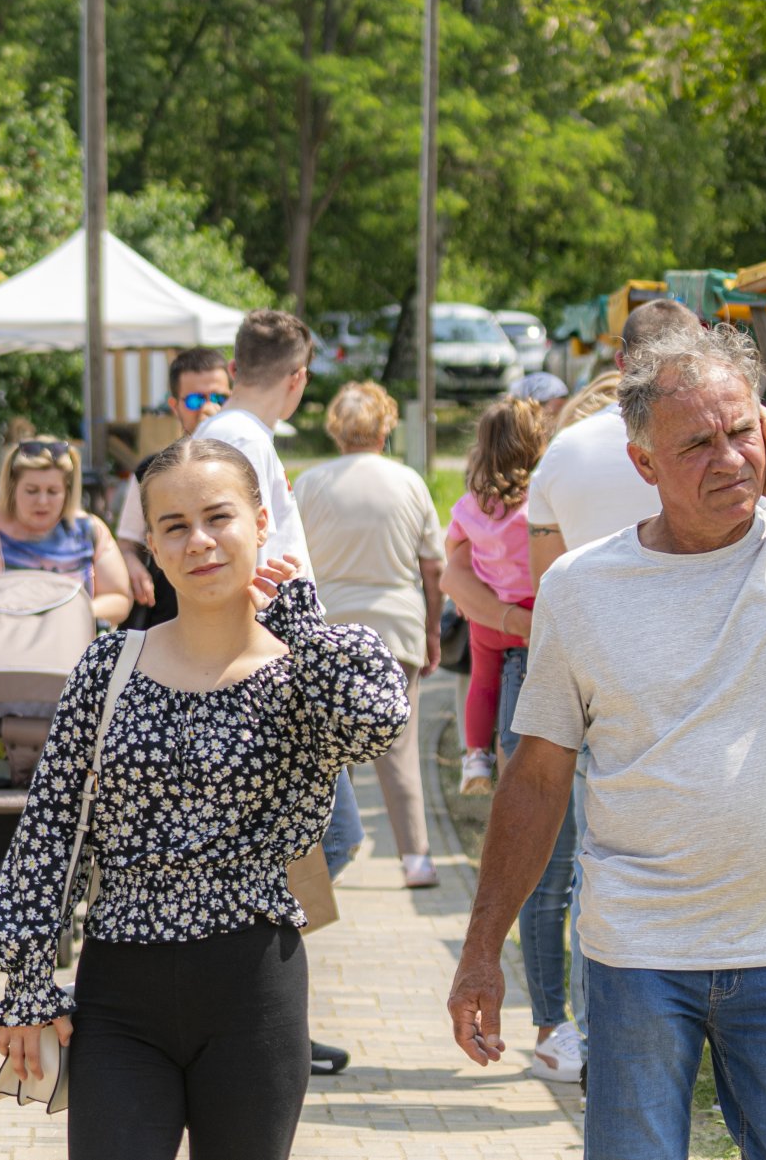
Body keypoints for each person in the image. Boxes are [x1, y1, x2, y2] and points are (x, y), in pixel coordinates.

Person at [448, 323, 766, 1158]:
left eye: (742, 431)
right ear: (644, 464)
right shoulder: (582, 588)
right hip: (637, 954)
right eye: (697, 442)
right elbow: (538, 775)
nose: (729, 458)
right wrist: (481, 951)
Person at [0, 438, 408, 1160]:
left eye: (219, 516)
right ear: (151, 543)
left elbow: (376, 723)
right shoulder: (108, 664)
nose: (200, 541)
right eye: (174, 525)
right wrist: (28, 983)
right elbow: (51, 824)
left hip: (254, 987)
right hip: (119, 982)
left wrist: (303, 629)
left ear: (262, 521)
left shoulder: (310, 663)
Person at [443, 298, 701, 1083]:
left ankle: (568, 1027)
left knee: (570, 862)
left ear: (619, 364)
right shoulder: (725, 443)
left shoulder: (566, 455)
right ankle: (633, 1031)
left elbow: (551, 587)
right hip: (693, 675)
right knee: (653, 859)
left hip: (578, 669)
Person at [194, 308, 359, 1076]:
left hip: (270, 656)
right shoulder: (244, 441)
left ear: (236, 366)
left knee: (306, 838)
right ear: (297, 379)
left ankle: (270, 1007)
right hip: (273, 663)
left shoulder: (237, 435)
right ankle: (255, 1000)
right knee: (323, 835)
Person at [293, 381, 445, 889]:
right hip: (396, 628)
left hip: (329, 628)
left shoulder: (309, 484)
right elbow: (432, 569)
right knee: (398, 748)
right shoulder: (410, 483)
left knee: (329, 748)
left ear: (336, 429)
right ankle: (417, 859)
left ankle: (330, 853)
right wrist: (431, 632)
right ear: (386, 426)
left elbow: (294, 565)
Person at [0, 437, 132, 628]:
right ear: (12, 487)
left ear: (68, 491)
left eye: (53, 492)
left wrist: (71, 614)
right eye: (31, 491)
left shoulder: (90, 530)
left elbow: (119, 597)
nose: (42, 501)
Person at [447, 398, 548, 796]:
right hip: (533, 610)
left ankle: (475, 755)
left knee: (483, 683)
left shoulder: (474, 505)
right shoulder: (538, 501)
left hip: (489, 615)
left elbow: (453, 544)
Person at [114, 347, 232, 628]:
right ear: (174, 405)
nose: (208, 408)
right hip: (167, 618)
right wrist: (132, 566)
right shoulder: (150, 471)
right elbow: (127, 543)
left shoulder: (249, 465)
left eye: (219, 398)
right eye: (194, 400)